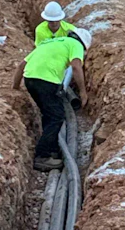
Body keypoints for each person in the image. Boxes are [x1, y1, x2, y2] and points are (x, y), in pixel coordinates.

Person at [14, 27, 90, 171]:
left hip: (29, 79)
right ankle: (42, 157)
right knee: (56, 117)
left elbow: (21, 66)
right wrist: (82, 92)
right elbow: (75, 67)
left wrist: (15, 88)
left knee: (48, 113)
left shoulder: (49, 43)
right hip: (46, 81)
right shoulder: (76, 45)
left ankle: (51, 147)